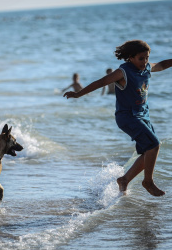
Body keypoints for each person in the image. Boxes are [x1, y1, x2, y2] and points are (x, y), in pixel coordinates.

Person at [64, 40, 172, 197]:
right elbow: (101, 82)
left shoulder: (147, 67)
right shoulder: (123, 72)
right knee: (154, 145)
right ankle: (147, 181)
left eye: (147, 58)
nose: (145, 62)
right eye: (141, 58)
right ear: (130, 58)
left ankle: (124, 180)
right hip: (127, 117)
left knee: (147, 153)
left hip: (143, 116)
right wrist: (78, 94)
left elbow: (161, 65)